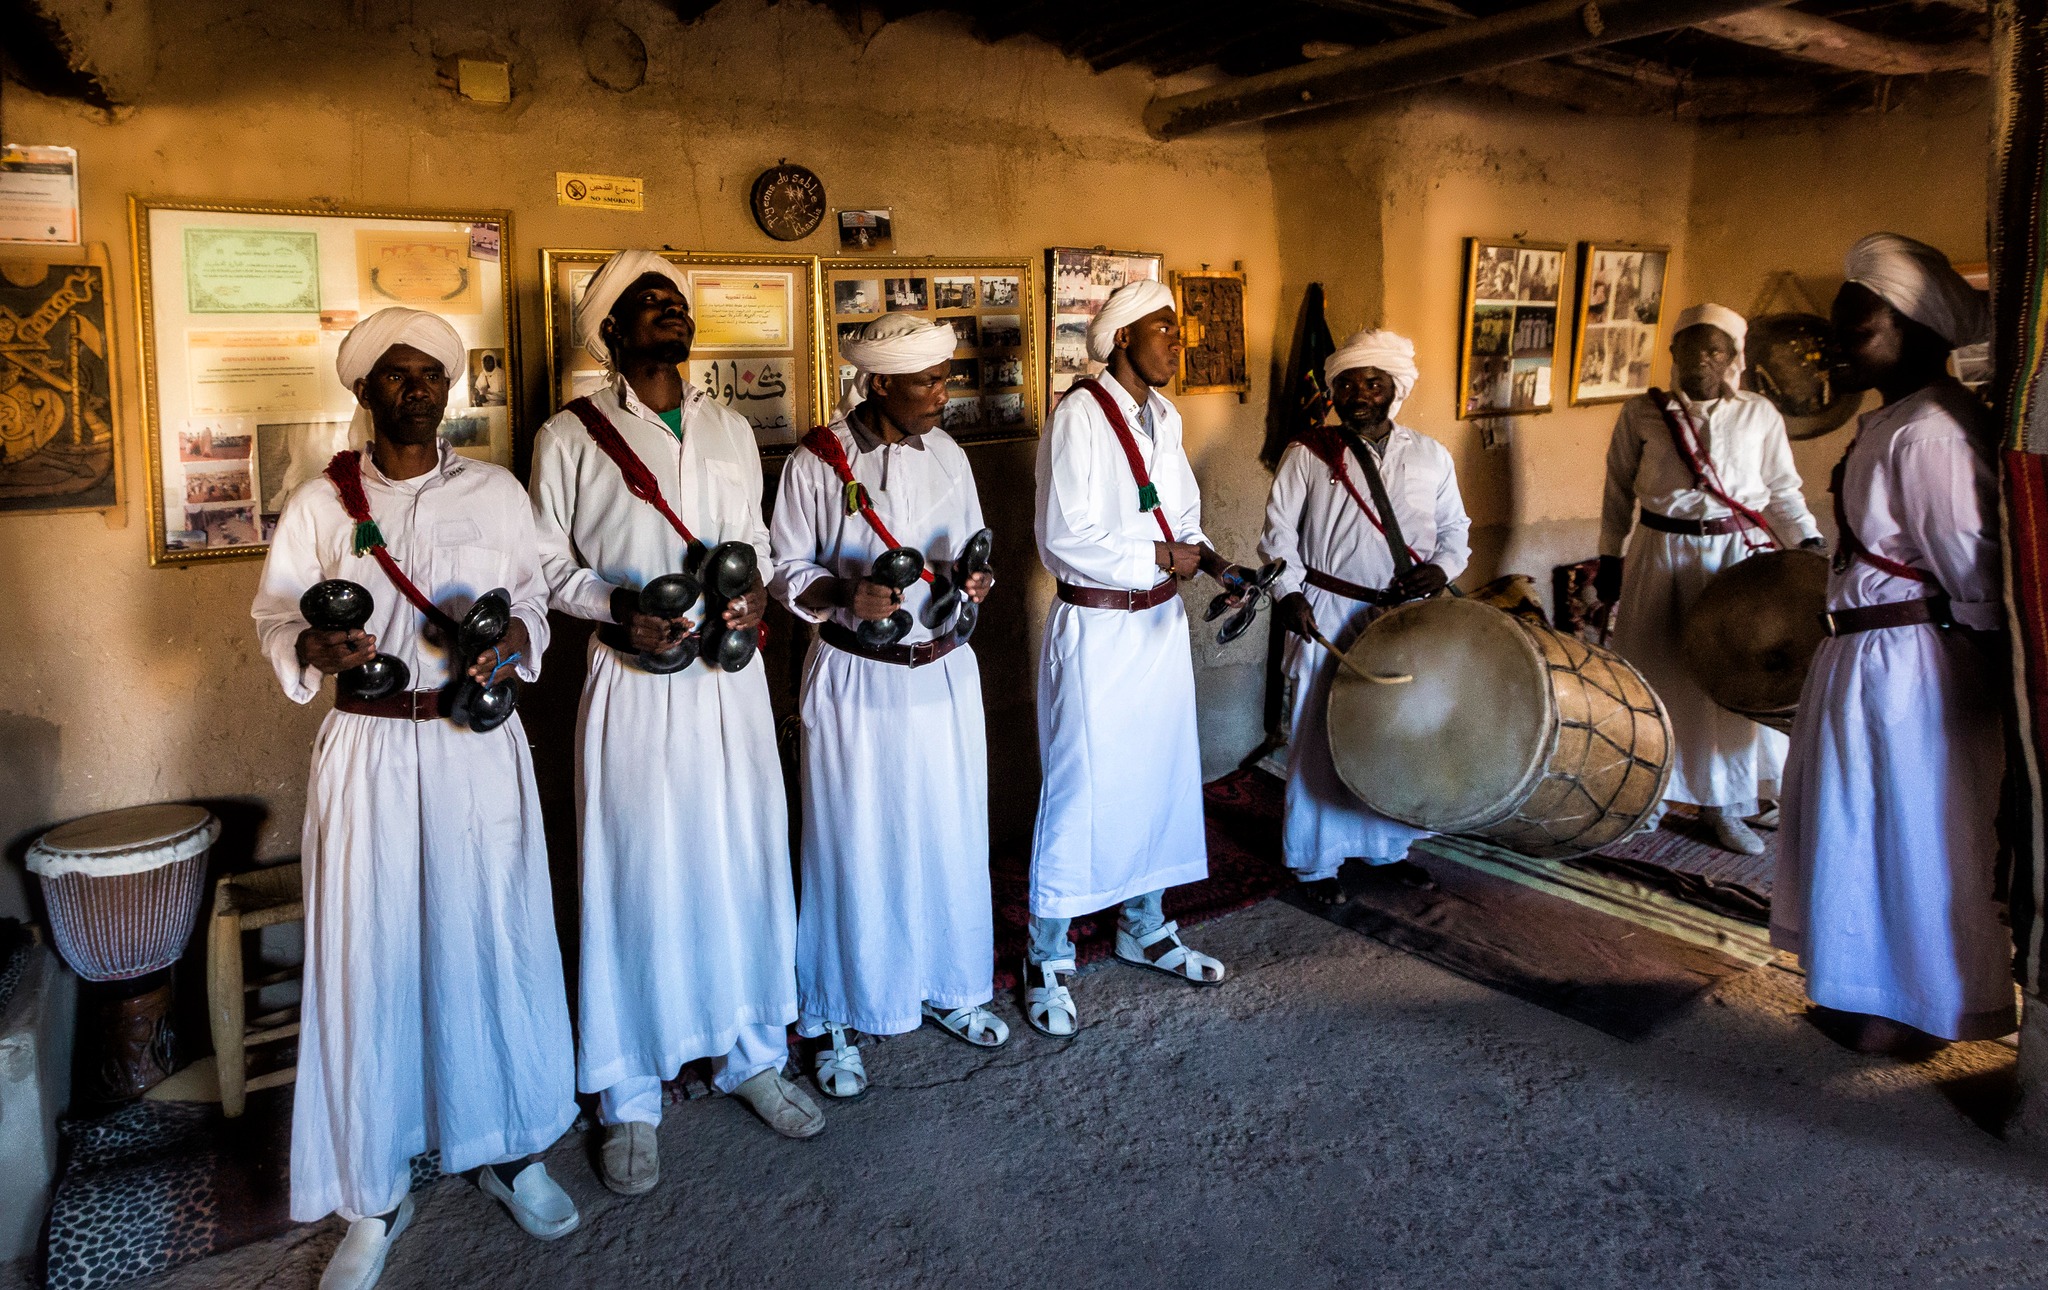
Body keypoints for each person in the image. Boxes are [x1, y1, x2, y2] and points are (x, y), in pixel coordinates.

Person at [251, 308, 578, 1290]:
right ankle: (374, 1190)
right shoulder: (322, 503)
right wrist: (312, 645)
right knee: (372, 954)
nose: (417, 389)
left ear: (450, 387)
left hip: (476, 744)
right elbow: (276, 615)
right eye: (395, 375)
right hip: (372, 748)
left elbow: (531, 597)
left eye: (431, 373)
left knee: (494, 936)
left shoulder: (496, 491)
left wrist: (515, 639)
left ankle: (510, 1146)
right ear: (362, 392)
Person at [528, 250, 819, 1200]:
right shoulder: (569, 436)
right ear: (611, 332)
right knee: (637, 871)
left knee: (742, 856)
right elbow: (545, 567)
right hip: (633, 682)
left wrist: (754, 597)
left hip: (728, 684)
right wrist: (617, 609)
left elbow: (758, 542)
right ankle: (629, 1094)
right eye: (648, 304)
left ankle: (750, 1053)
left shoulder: (729, 426)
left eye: (677, 301)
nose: (671, 312)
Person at [1774, 232, 2013, 1055]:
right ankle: (1866, 991)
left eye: (1861, 326)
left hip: (1910, 665)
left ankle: (1920, 1008)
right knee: (1861, 828)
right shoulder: (1896, 420)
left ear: (1916, 329)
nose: (1840, 343)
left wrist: (1988, 683)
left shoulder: (1933, 431)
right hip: (1869, 659)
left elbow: (1973, 571)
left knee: (1913, 833)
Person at [768, 313, 1004, 1098]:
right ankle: (837, 1012)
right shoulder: (817, 462)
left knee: (945, 833)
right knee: (852, 841)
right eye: (927, 382)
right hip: (856, 675)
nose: (943, 394)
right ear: (879, 384)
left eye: (944, 378)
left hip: (940, 671)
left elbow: (969, 551)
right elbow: (786, 568)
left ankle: (947, 982)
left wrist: (974, 581)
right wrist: (844, 593)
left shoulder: (949, 455)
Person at [1024, 278, 1254, 1039]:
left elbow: (1181, 519)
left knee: (1158, 775)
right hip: (1098, 628)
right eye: (1164, 329)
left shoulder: (1165, 416)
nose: (1176, 343)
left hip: (1158, 626)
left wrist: (1218, 566)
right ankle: (1047, 952)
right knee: (1082, 787)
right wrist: (1161, 555)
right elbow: (1066, 537)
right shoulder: (1079, 417)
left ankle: (1144, 924)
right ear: (1122, 337)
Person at [1597, 303, 1825, 855]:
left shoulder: (1758, 414)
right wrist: (1608, 556)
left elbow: (1782, 490)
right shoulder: (1641, 414)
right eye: (1692, 347)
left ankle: (1725, 805)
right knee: (1653, 677)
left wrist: (1810, 545)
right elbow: (1617, 488)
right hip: (1659, 557)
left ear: (1732, 358)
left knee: (1729, 681)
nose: (1703, 359)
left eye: (1715, 349)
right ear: (1672, 352)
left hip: (1733, 563)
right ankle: (1648, 798)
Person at [1261, 329, 1470, 903]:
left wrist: (1441, 569)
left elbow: (1455, 529)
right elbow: (1278, 535)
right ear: (1334, 392)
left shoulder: (1430, 455)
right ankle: (1315, 862)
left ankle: (1388, 849)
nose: (1359, 394)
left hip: (1405, 617)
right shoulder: (1309, 454)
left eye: (1373, 383)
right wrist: (1289, 593)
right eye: (1348, 384)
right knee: (1320, 732)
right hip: (1330, 611)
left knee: (1397, 731)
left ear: (1394, 389)